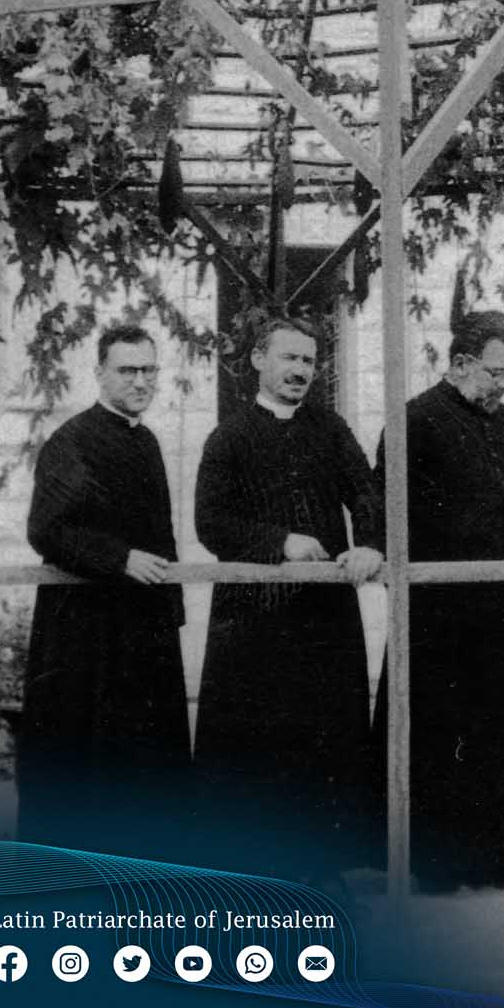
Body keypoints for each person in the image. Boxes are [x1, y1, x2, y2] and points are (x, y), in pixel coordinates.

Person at [193, 316, 383, 876]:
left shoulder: (329, 429)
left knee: (325, 742)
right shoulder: (228, 437)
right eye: (289, 358)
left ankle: (323, 872)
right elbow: (210, 522)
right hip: (254, 622)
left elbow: (367, 491)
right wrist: (279, 542)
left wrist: (369, 543)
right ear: (258, 360)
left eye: (309, 361)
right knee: (255, 746)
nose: (301, 370)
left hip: (324, 619)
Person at [374, 308, 504, 890]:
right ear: (461, 363)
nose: (502, 384)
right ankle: (436, 862)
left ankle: (494, 854)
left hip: (498, 610)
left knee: (495, 730)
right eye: (494, 372)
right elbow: (387, 514)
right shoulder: (414, 422)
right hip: (438, 613)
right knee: (440, 733)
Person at [18, 321, 190, 853]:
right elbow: (46, 529)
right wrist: (118, 559)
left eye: (148, 370)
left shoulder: (148, 441)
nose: (141, 382)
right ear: (99, 373)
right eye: (127, 370)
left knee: (148, 769)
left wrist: (171, 610)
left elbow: (160, 533)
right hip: (85, 635)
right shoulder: (73, 441)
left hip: (145, 628)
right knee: (86, 764)